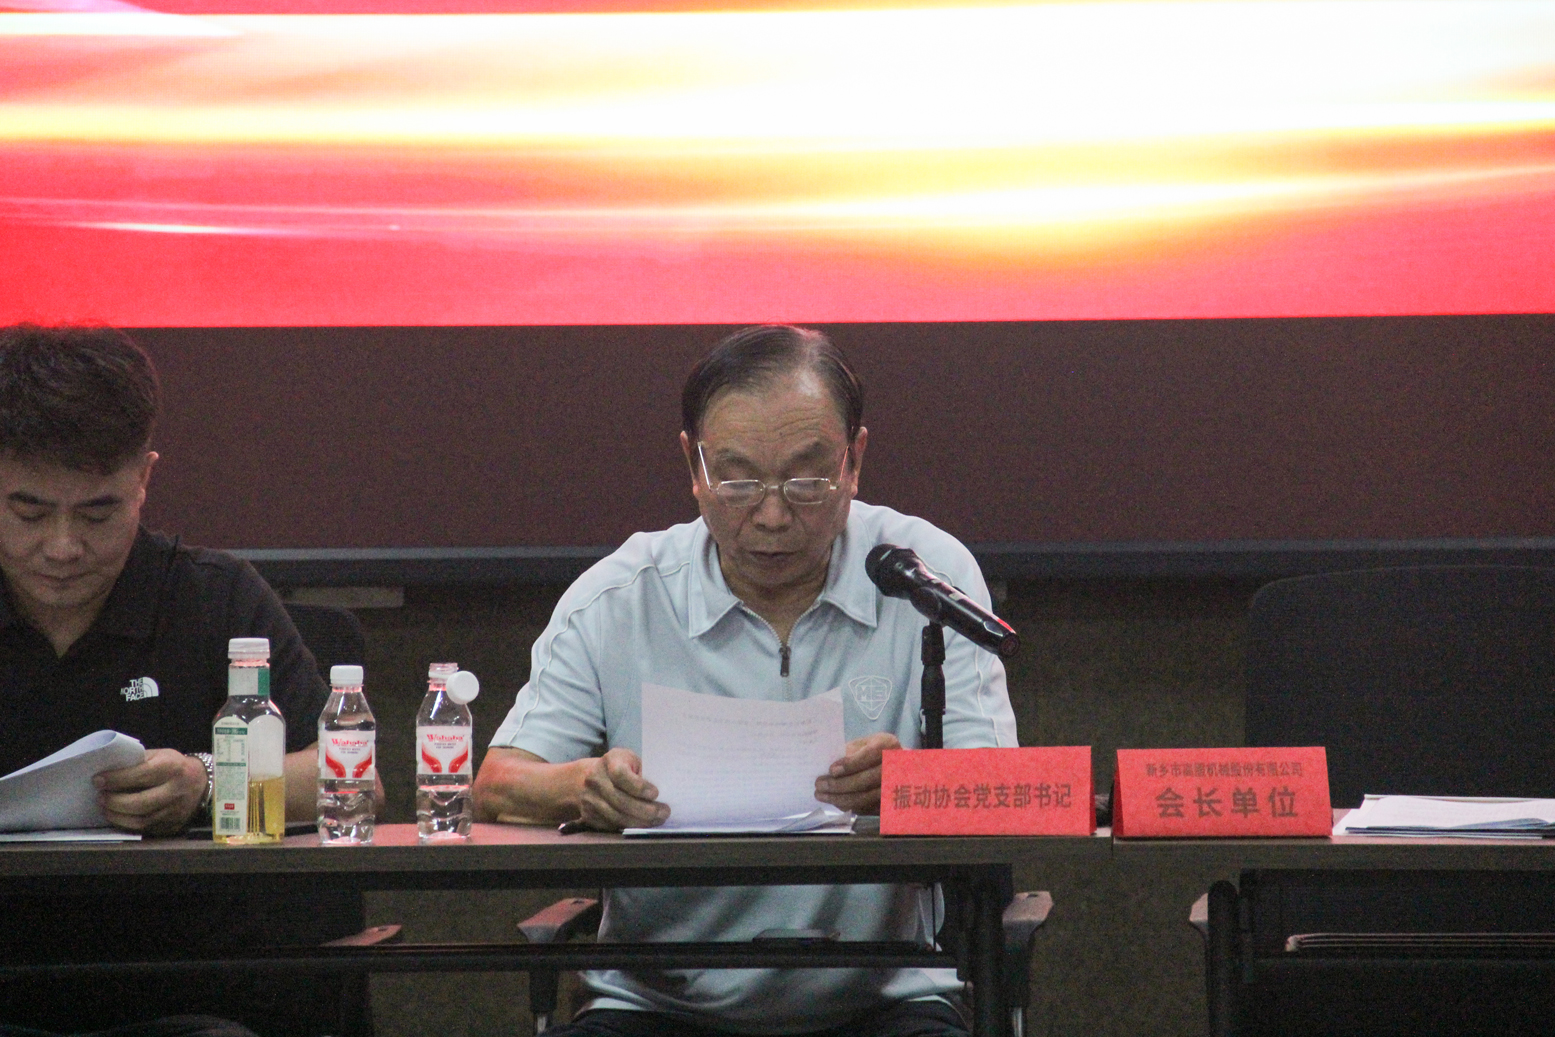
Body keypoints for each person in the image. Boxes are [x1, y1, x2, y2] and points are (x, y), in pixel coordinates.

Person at [473, 325, 1019, 1037]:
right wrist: (584, 786)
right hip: (655, 1001)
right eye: (737, 479)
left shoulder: (923, 577)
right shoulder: (621, 597)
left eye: (806, 479)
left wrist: (906, 785)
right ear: (692, 466)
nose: (771, 513)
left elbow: (1001, 785)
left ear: (854, 460)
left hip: (886, 993)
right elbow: (498, 782)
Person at [0, 324, 347, 1036]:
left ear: (145, 478)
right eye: (28, 512)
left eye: (98, 512)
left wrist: (209, 783)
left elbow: (351, 777)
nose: (62, 547)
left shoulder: (214, 597)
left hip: (193, 992)